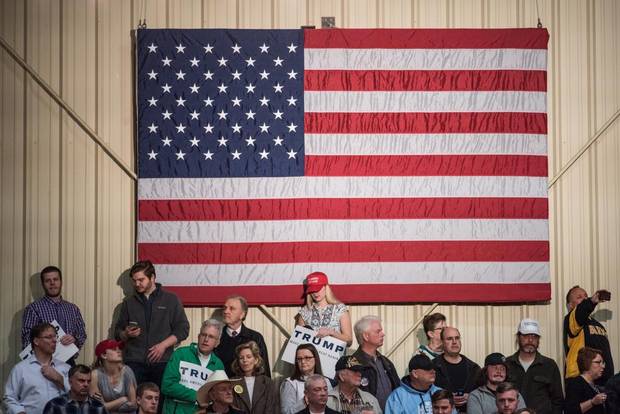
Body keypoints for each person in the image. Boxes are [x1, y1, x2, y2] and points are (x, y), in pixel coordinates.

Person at [114, 260, 190, 390]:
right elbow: (117, 333)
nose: (137, 284)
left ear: (153, 277)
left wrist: (163, 346)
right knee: (135, 403)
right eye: (134, 280)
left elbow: (183, 329)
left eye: (141, 280)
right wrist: (126, 333)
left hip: (163, 362)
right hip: (134, 362)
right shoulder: (129, 303)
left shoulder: (171, 299)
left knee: (160, 403)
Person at [21, 265, 87, 363]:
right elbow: (27, 338)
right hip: (43, 362)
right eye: (48, 281)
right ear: (43, 284)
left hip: (69, 361)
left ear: (61, 282)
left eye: (55, 279)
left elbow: (82, 333)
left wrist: (75, 339)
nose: (52, 283)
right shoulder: (33, 309)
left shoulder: (73, 309)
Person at [3, 322, 71, 414]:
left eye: (55, 336)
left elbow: (78, 395)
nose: (54, 340)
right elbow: (9, 398)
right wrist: (19, 412)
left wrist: (60, 379)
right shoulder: (21, 369)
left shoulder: (66, 368)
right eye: (49, 337)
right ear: (36, 341)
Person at [161, 319, 226, 414]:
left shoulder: (218, 365)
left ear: (217, 343)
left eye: (211, 337)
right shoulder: (180, 354)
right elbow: (167, 386)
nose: (206, 339)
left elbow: (217, 395)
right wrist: (197, 396)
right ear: (199, 337)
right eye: (204, 335)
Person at [505, 319, 563, 414]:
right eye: (526, 336)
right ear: (518, 337)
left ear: (538, 340)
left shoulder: (549, 365)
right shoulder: (507, 364)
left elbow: (557, 400)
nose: (530, 340)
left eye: (534, 336)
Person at [564, 286, 614, 385]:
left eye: (586, 296)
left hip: (603, 382)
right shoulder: (572, 319)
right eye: (579, 297)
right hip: (581, 380)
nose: (585, 299)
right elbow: (580, 311)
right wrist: (592, 300)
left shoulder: (599, 325)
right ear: (570, 305)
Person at [214, 295, 271, 378]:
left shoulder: (255, 338)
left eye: (232, 308)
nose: (226, 311)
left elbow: (264, 370)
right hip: (223, 388)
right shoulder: (216, 337)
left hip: (249, 389)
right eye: (225, 308)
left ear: (242, 314)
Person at [351, 316, 400, 410]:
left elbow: (398, 390)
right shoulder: (353, 364)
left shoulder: (386, 362)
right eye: (378, 331)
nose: (383, 334)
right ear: (366, 336)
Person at [295, 272, 353, 346]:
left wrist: (332, 332)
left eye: (318, 289)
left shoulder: (340, 309)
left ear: (326, 287)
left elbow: (349, 341)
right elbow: (298, 341)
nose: (315, 293)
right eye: (312, 290)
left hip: (335, 357)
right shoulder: (304, 312)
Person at [432, 327, 481, 413]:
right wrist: (447, 399)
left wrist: (471, 397)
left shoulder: (474, 368)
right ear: (442, 342)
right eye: (449, 339)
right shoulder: (433, 367)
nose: (454, 342)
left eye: (457, 338)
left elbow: (482, 393)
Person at [281, 343, 331, 414]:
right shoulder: (290, 383)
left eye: (307, 358)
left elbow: (332, 407)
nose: (303, 362)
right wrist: (304, 402)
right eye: (299, 359)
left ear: (315, 359)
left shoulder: (326, 381)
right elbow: (286, 412)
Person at [231, 341, 279, 414]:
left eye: (248, 357)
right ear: (238, 362)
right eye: (241, 358)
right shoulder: (232, 382)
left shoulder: (267, 382)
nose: (245, 360)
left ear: (256, 360)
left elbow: (272, 408)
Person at [90, 339, 137, 413]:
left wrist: (108, 407)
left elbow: (133, 404)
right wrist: (123, 400)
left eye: (119, 349)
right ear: (104, 355)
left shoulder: (127, 371)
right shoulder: (95, 375)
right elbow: (97, 408)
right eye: (114, 349)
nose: (119, 351)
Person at [564, 347, 608, 414]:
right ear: (586, 363)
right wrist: (592, 402)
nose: (603, 366)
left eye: (603, 362)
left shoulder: (595, 384)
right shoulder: (576, 384)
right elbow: (570, 411)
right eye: (598, 362)